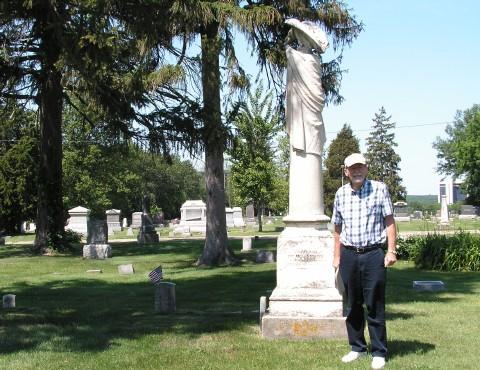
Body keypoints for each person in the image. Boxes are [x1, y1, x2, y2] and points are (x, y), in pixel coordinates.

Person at [332, 153, 397, 370]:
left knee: (375, 303)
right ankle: (357, 347)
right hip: (349, 254)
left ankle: (379, 351)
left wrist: (391, 251)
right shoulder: (341, 194)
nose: (357, 171)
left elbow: (389, 221)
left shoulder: (379, 189)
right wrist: (337, 256)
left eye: (360, 167)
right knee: (353, 304)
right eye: (353, 168)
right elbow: (337, 228)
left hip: (373, 255)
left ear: (366, 169)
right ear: (346, 171)